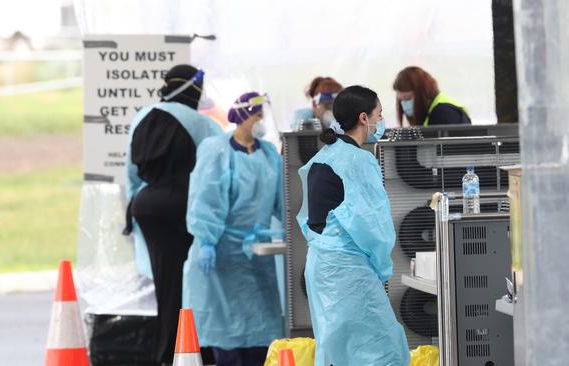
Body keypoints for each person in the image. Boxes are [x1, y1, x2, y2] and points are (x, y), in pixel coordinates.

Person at [297, 85, 410, 365]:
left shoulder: (324, 156)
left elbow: (312, 220)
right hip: (350, 273)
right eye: (379, 114)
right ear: (363, 118)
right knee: (382, 351)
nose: (381, 121)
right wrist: (382, 265)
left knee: (337, 351)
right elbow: (371, 224)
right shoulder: (359, 161)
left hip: (321, 268)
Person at [123, 64, 222, 365]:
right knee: (190, 288)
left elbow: (131, 173)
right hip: (184, 208)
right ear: (195, 91)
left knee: (167, 287)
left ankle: (168, 354)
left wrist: (133, 207)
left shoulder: (141, 116)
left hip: (147, 206)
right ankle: (189, 354)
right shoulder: (202, 125)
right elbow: (216, 174)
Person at [183, 92, 284, 366]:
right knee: (226, 331)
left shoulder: (269, 156)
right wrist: (206, 240)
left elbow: (282, 202)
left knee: (261, 331)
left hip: (257, 255)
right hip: (220, 254)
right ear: (243, 116)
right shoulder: (217, 150)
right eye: (257, 114)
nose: (261, 120)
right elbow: (206, 197)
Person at [393, 66, 471, 127]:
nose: (404, 104)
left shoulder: (444, 113)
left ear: (422, 93)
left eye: (408, 98)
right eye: (401, 100)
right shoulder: (431, 111)